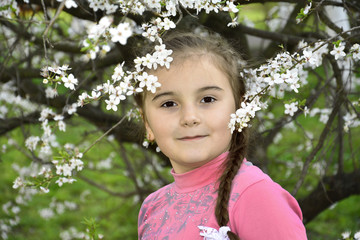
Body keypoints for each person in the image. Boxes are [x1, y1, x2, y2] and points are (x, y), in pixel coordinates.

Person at [135, 32, 307, 240]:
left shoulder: (257, 197)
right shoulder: (152, 208)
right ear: (147, 124)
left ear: (239, 108)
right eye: (169, 104)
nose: (190, 118)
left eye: (207, 99)